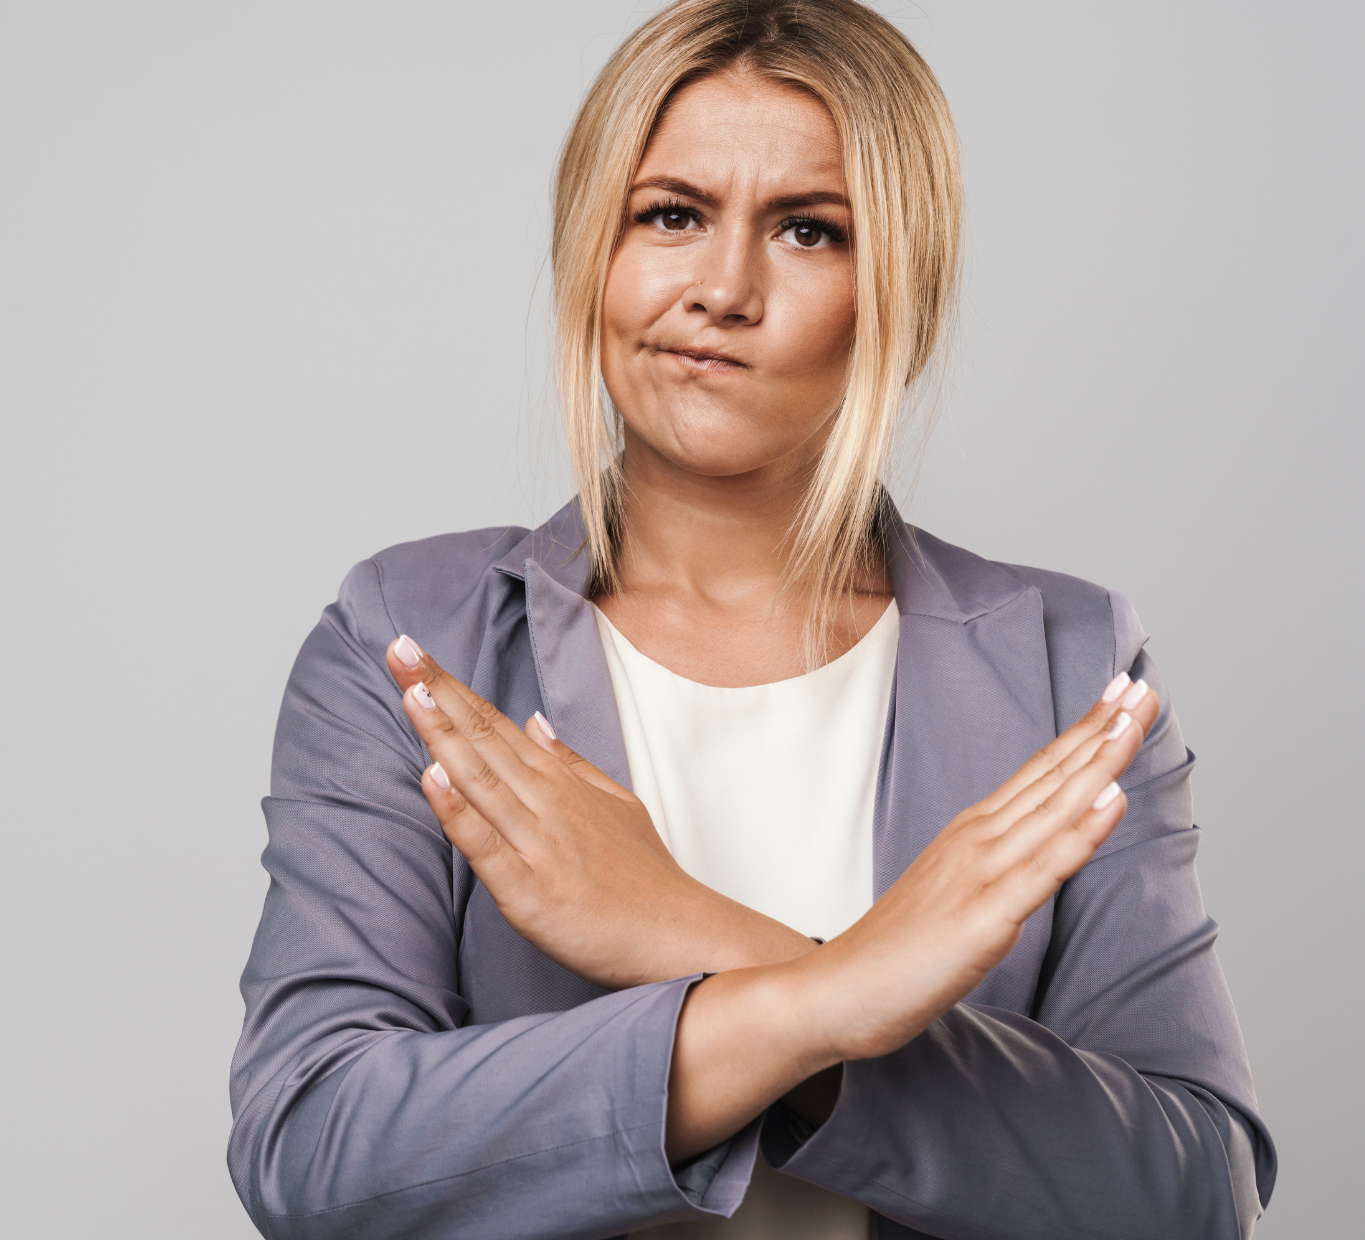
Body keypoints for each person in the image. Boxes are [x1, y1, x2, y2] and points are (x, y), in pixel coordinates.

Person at [227, 0, 1275, 1236]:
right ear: (592, 251)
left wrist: (678, 926)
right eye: (671, 214)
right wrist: (823, 998)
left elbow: (1190, 1192)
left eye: (807, 231)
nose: (721, 288)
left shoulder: (1066, 665)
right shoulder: (410, 640)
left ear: (901, 288)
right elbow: (313, 1151)